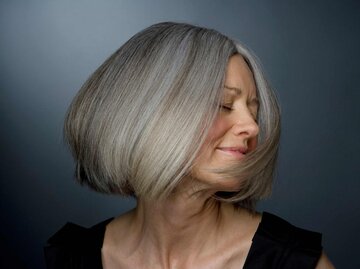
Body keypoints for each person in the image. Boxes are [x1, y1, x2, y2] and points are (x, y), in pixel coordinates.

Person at [44, 22, 334, 269]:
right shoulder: (74, 257)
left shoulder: (293, 261)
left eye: (253, 109)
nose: (253, 126)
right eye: (223, 104)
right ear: (149, 116)